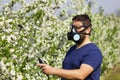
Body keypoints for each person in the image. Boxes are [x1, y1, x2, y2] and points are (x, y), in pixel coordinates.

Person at [37, 14, 103, 80]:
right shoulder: (72, 49)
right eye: (73, 27)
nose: (74, 31)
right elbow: (68, 72)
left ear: (88, 30)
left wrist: (53, 70)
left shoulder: (93, 52)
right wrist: (49, 69)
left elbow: (81, 75)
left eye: (78, 27)